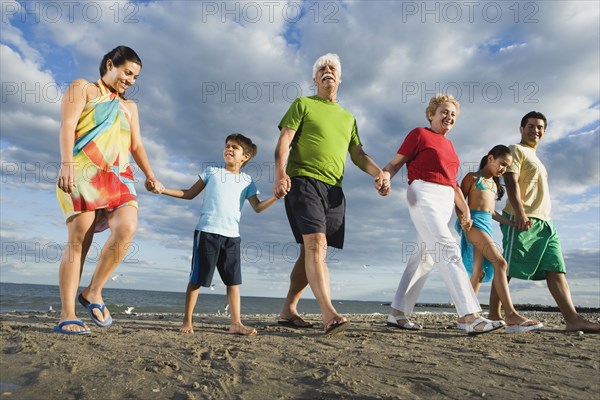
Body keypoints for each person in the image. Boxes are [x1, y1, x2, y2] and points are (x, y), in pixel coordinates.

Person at [273, 53, 388, 335]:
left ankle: (288, 309)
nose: (327, 71)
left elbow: (358, 154)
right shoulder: (302, 104)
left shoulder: (348, 118)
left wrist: (379, 174)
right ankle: (328, 312)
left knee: (308, 253)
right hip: (303, 182)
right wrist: (280, 173)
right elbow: (284, 141)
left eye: (332, 68)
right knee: (316, 246)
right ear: (315, 79)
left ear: (339, 77)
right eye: (321, 69)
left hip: (334, 190)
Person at [54, 46, 163, 334]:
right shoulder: (84, 88)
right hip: (83, 169)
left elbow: (136, 145)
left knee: (127, 227)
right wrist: (66, 164)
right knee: (80, 239)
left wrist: (150, 175)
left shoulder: (130, 107)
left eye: (136, 77)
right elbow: (67, 125)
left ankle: (93, 291)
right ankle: (67, 313)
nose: (131, 80)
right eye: (128, 73)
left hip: (120, 174)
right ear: (110, 64)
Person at [377, 94, 505, 335]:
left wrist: (464, 209)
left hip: (446, 200)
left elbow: (453, 183)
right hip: (423, 194)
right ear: (431, 114)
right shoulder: (419, 134)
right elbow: (395, 163)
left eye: (454, 114)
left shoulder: (450, 146)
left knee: (423, 258)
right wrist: (385, 176)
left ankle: (397, 314)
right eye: (444, 112)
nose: (449, 117)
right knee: (448, 249)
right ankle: (470, 316)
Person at [490, 111, 600, 333]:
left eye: (540, 127)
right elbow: (510, 181)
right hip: (522, 218)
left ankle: (572, 319)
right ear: (521, 129)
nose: (535, 130)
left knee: (555, 268)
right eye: (530, 126)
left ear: (544, 131)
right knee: (508, 266)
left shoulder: (537, 158)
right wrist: (520, 212)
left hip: (545, 223)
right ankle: (494, 315)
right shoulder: (515, 150)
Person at [157, 134, 278, 336]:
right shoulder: (211, 172)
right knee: (197, 279)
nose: (229, 149)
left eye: (235, 147)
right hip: (207, 232)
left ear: (245, 157)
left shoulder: (247, 181)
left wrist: (276, 197)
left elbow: (258, 207)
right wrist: (162, 190)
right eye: (227, 146)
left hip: (232, 237)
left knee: (233, 281)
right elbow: (188, 193)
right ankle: (187, 320)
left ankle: (236, 323)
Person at [455, 145, 543, 333]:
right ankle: (511, 314)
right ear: (490, 158)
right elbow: (458, 200)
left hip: (487, 225)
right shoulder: (472, 178)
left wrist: (513, 223)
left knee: (478, 273)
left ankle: (465, 316)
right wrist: (463, 218)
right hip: (473, 224)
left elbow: (492, 212)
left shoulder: (494, 185)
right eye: (502, 164)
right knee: (500, 263)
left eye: (507, 167)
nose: (503, 169)